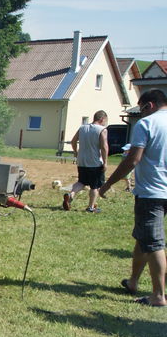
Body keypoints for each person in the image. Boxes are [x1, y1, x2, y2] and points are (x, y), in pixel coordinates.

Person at [99, 89, 167, 307]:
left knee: (154, 243)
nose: (141, 113)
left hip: (152, 193)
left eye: (142, 108)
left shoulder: (146, 124)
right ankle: (133, 282)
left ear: (150, 105)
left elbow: (133, 160)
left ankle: (158, 296)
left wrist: (108, 184)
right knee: (142, 236)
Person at [65, 111, 109, 213]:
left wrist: (76, 152)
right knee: (94, 186)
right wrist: (105, 162)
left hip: (82, 161)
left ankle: (71, 194)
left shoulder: (82, 128)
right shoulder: (102, 130)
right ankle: (91, 207)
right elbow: (104, 147)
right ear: (102, 119)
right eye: (105, 121)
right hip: (94, 162)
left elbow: (73, 141)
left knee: (81, 181)